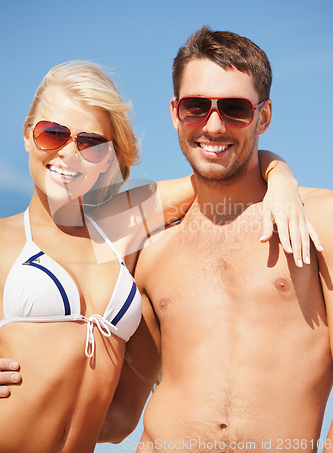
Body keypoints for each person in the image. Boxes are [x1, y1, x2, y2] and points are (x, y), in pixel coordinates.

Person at [0, 59, 320, 452]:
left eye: (91, 143)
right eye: (52, 134)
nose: (69, 153)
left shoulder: (118, 225)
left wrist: (281, 178)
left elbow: (218, 165)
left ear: (108, 157)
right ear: (28, 136)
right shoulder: (5, 238)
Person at [96, 27, 332, 452]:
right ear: (175, 112)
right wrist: (29, 390)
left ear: (264, 115)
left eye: (236, 109)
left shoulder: (318, 222)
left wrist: (279, 174)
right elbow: (117, 416)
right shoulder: (153, 250)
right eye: (196, 107)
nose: (214, 125)